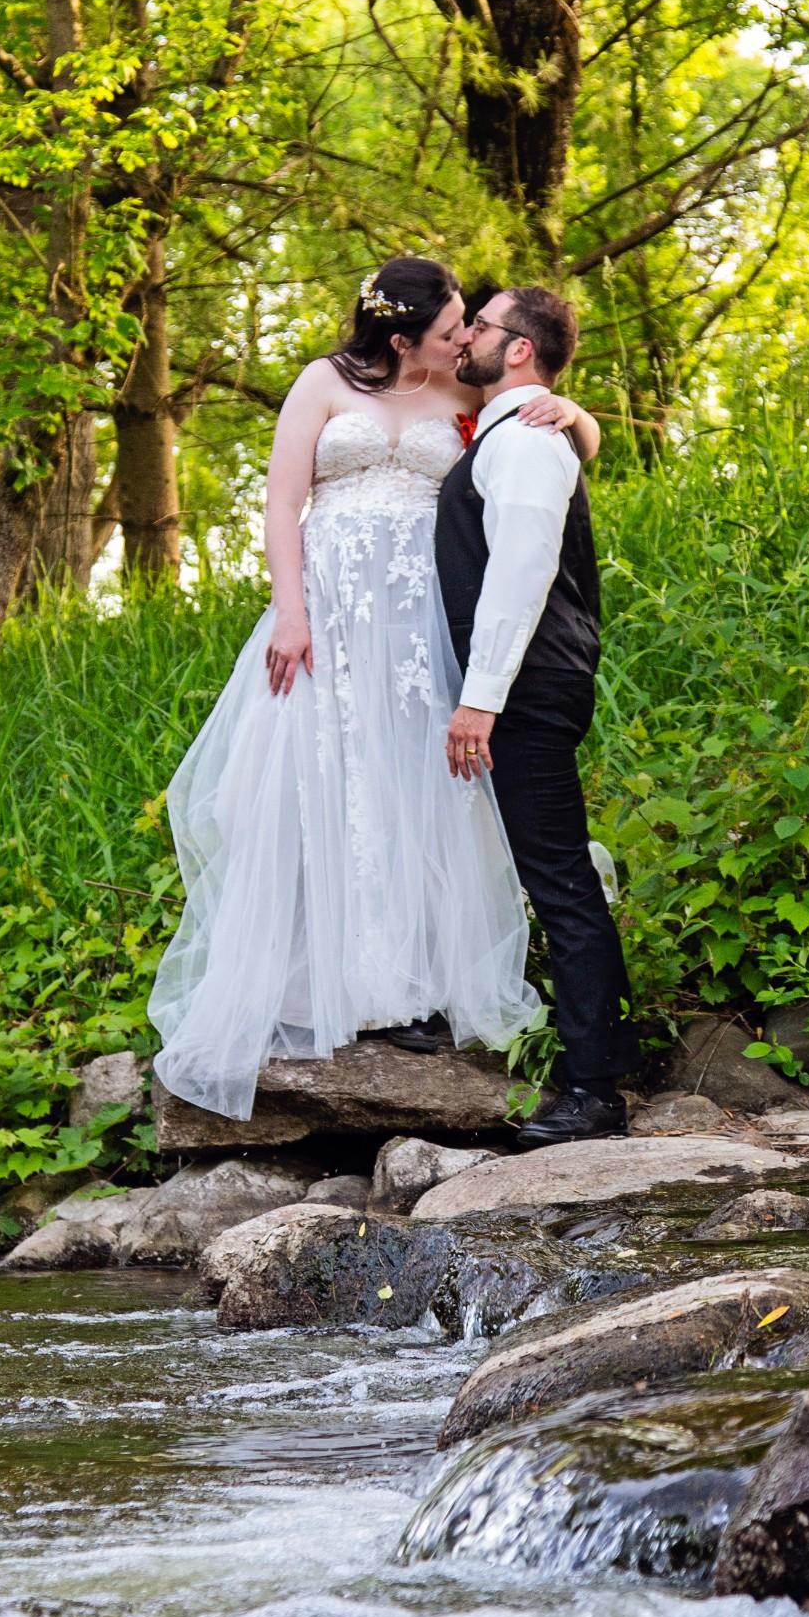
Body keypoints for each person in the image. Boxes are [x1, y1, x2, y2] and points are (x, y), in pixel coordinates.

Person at [149, 257, 602, 1124]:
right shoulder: (323, 384)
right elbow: (283, 504)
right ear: (401, 338)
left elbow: (552, 449)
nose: (462, 338)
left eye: (470, 326)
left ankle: (413, 987)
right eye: (448, 330)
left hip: (419, 621)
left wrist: (575, 412)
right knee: (314, 784)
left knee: (415, 789)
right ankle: (317, 984)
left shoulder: (463, 397)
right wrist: (290, 612)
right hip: (323, 613)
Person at [435, 285, 640, 1141]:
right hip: (528, 684)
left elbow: (520, 576)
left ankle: (594, 1092)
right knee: (549, 874)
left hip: (525, 687)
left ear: (518, 348)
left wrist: (479, 701)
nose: (466, 337)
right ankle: (592, 1068)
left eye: (478, 325)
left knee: (557, 880)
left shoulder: (522, 443)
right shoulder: (520, 431)